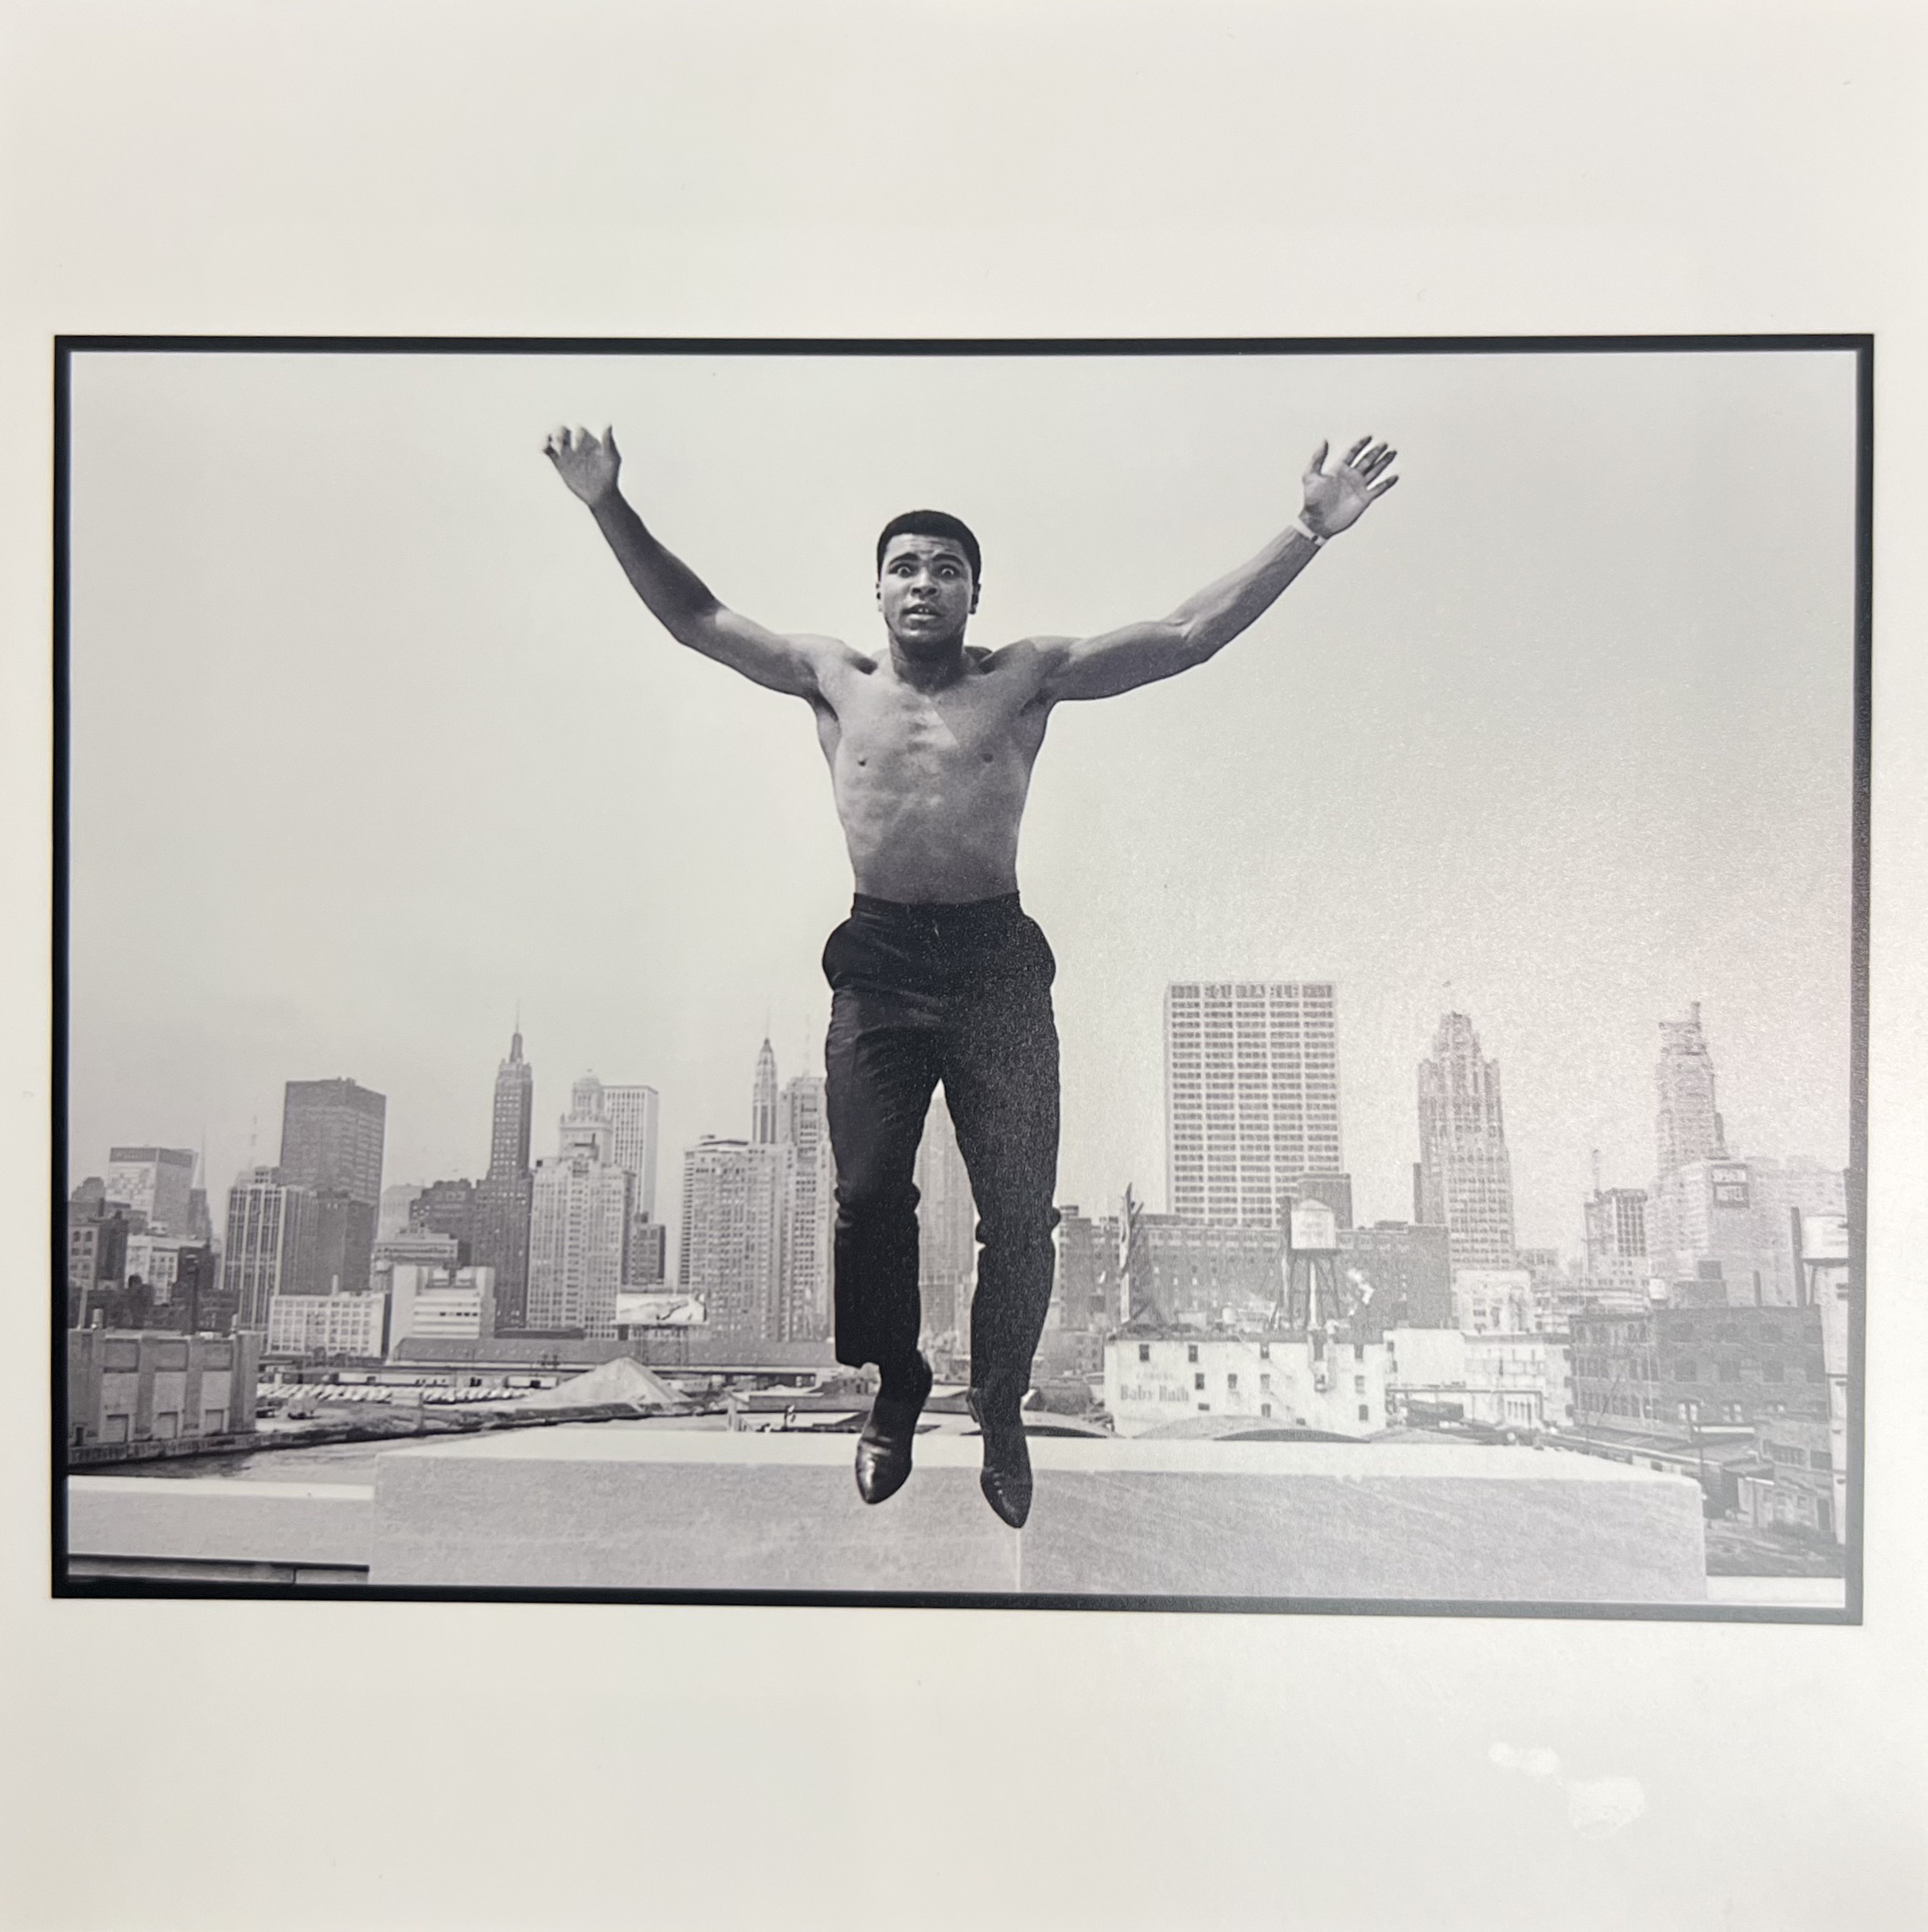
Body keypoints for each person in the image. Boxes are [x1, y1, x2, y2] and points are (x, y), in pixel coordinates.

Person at [544, 423, 1398, 1526]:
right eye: (904, 565)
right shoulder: (831, 677)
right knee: (863, 1198)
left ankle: (999, 1399)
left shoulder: (1024, 679)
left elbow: (1185, 635)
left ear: (973, 596)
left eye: (946, 568)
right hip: (880, 962)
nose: (924, 582)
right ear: (878, 590)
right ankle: (894, 1386)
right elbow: (694, 617)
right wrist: (607, 502)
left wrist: (1305, 532)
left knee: (1018, 1216)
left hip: (994, 963)